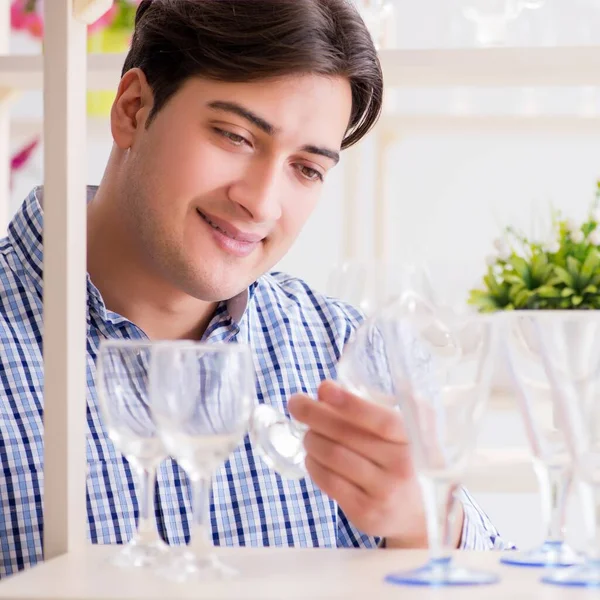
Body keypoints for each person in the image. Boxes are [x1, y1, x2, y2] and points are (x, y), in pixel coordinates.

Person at [0, 0, 512, 578]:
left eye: (307, 169)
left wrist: (424, 524)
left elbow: (503, 581)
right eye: (236, 136)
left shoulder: (356, 355)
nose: (262, 202)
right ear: (133, 108)